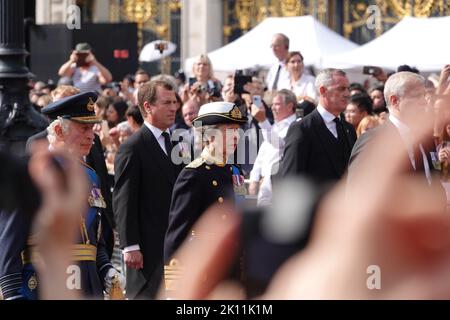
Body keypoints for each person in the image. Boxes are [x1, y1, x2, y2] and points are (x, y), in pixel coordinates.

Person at [113, 79, 183, 299]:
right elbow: (124, 199)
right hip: (145, 251)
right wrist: (130, 245)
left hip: (172, 247)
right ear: (147, 106)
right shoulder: (132, 147)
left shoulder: (174, 144)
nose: (173, 108)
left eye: (175, 102)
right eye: (166, 102)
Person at [164, 101, 247, 264]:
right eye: (229, 131)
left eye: (237, 130)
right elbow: (177, 237)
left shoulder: (235, 171)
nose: (236, 136)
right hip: (205, 266)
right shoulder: (193, 174)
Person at [348, 71, 443, 190]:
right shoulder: (373, 141)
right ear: (395, 101)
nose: (424, 101)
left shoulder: (425, 138)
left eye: (424, 95)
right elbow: (357, 193)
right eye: (417, 96)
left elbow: (435, 178)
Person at [279, 68, 357, 183]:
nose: (347, 94)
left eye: (347, 89)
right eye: (341, 89)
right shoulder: (302, 129)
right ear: (323, 90)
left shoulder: (348, 129)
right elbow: (291, 180)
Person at [249, 89, 297, 206]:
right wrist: (254, 178)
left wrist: (263, 121)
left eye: (277, 104)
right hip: (265, 183)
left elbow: (279, 144)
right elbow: (263, 153)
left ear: (290, 106)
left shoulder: (297, 125)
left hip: (282, 182)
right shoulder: (274, 126)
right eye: (272, 105)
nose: (273, 108)